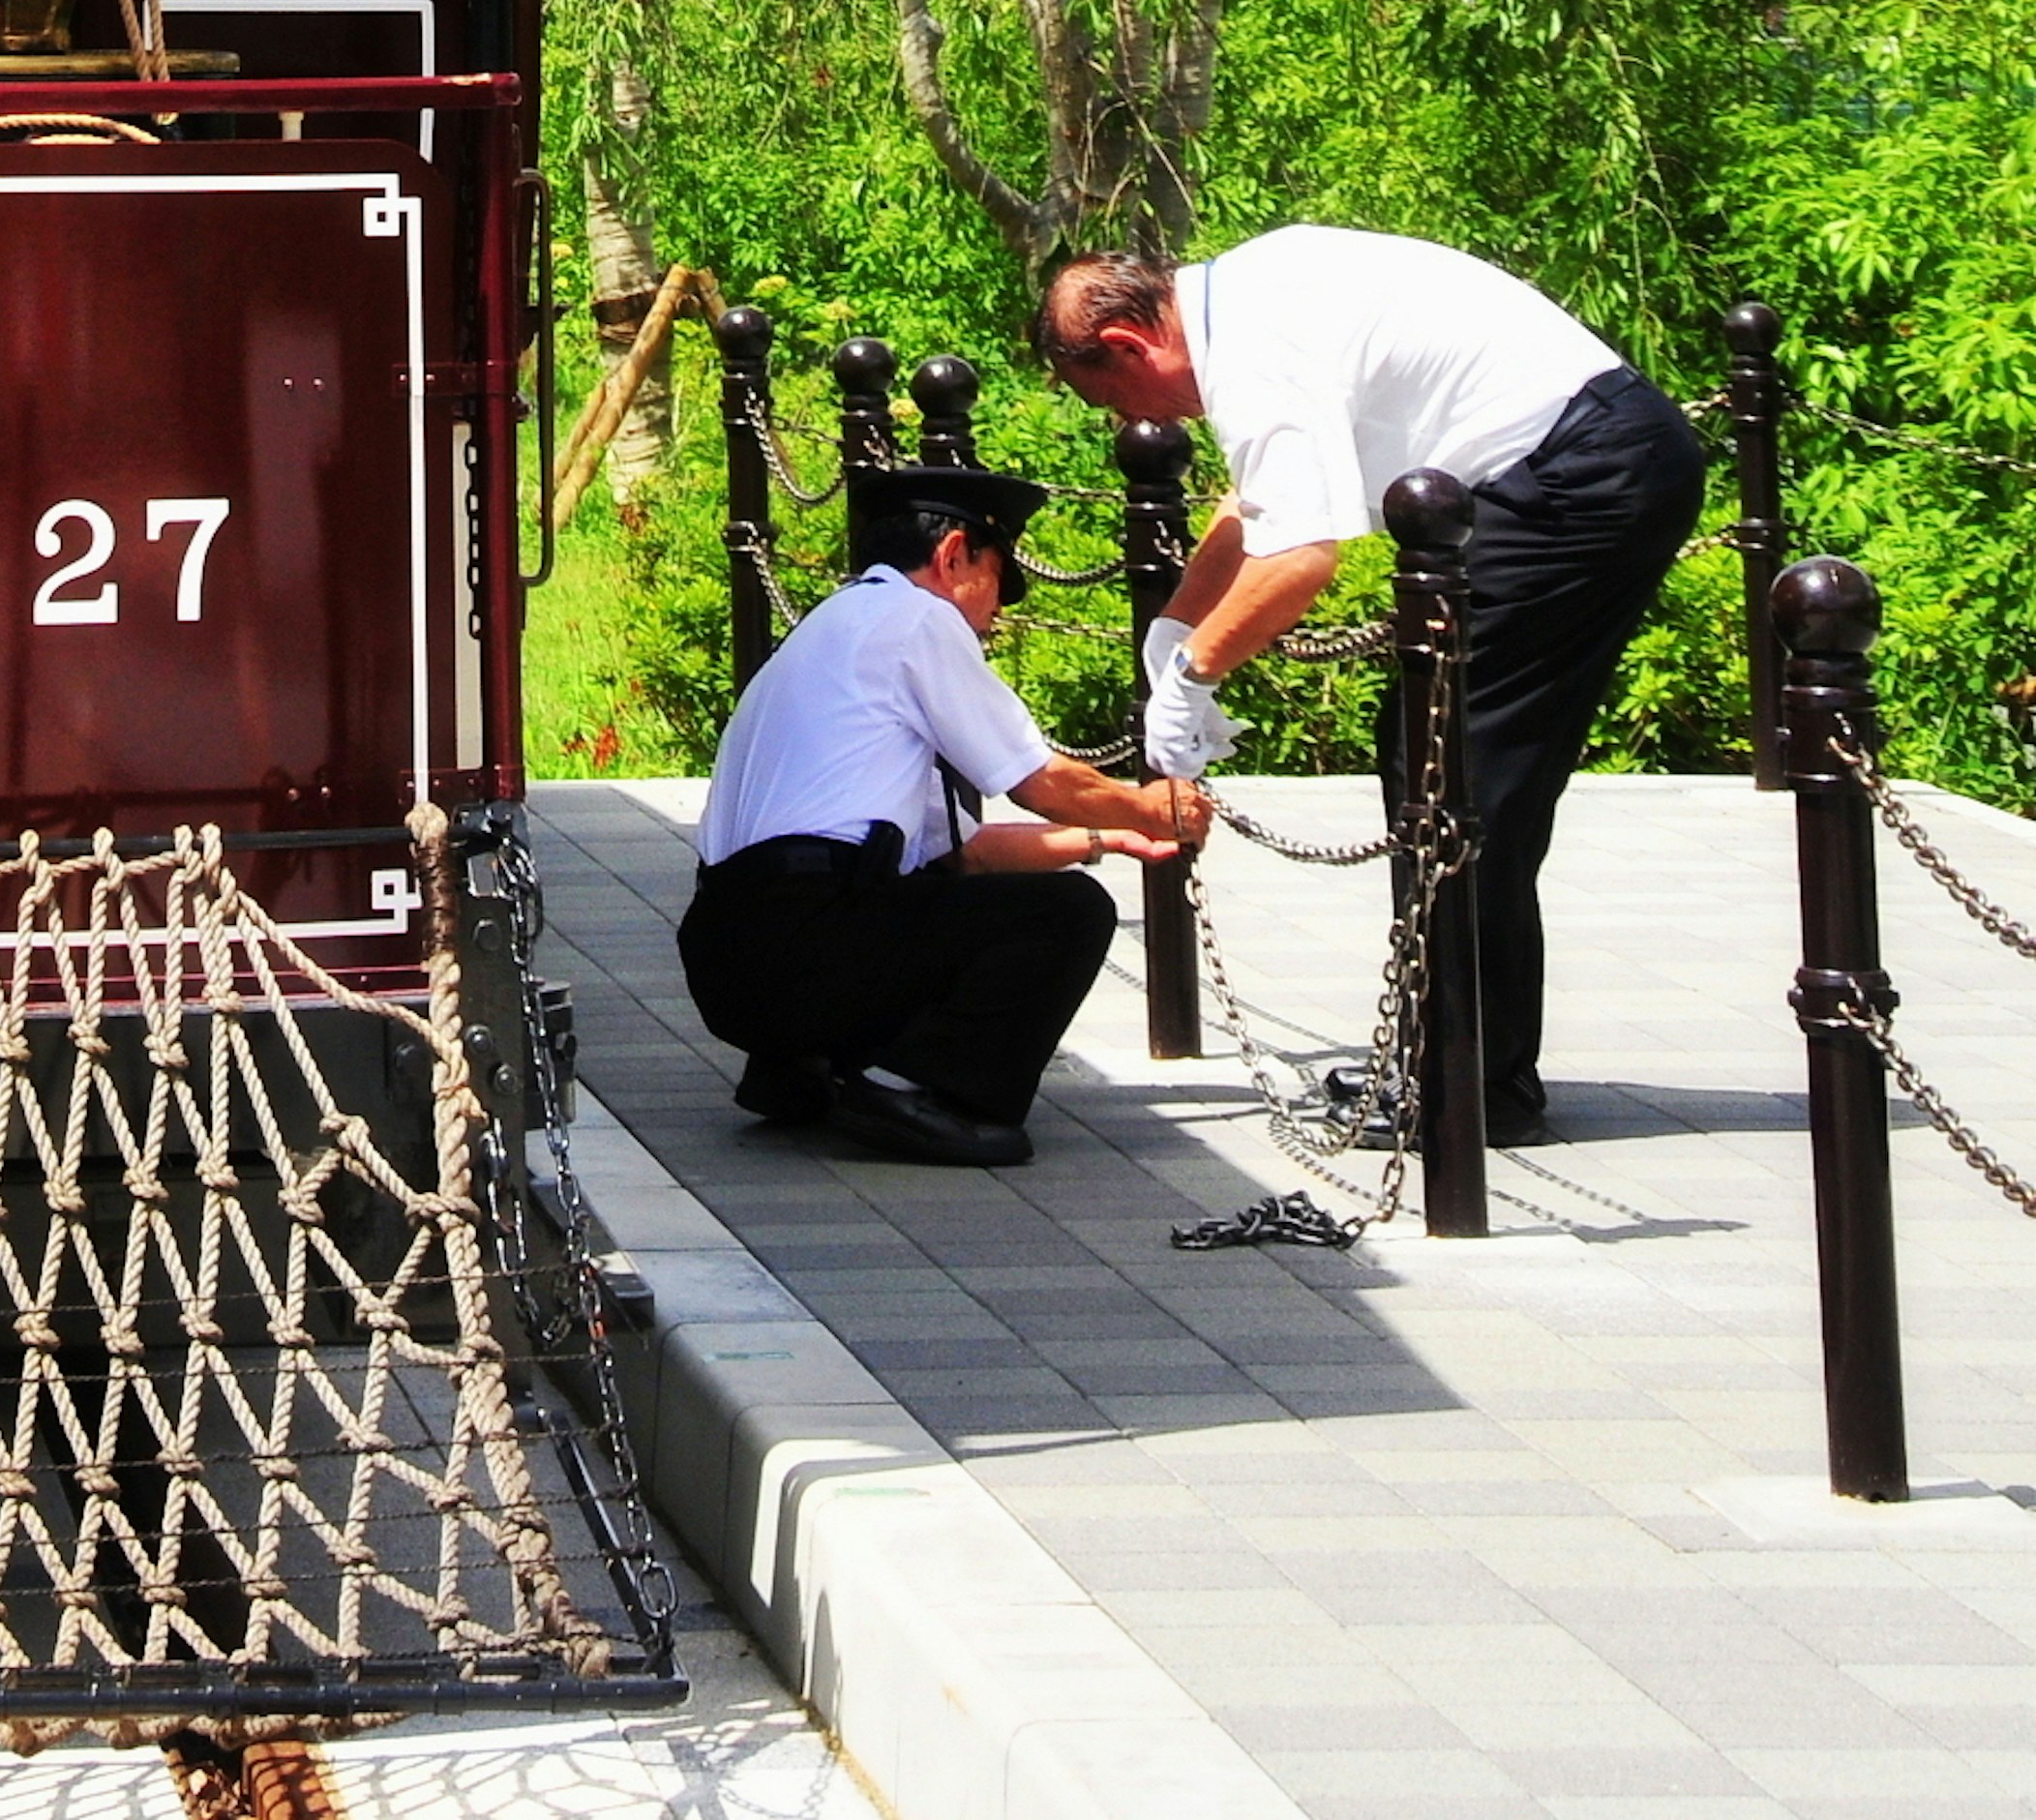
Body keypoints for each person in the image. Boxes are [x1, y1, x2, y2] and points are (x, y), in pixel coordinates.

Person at [1032, 229, 1707, 1141]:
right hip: (1574, 462)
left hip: (1578, 475)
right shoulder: (1238, 302)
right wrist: (1175, 628)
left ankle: (1471, 1085)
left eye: (1110, 397)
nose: (1132, 422)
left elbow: (1303, 558)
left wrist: (1193, 679)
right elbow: (1254, 508)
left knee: (1456, 762)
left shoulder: (1251, 347)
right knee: (1442, 752)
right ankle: (1458, 1059)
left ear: (1127, 345)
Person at [676, 461, 1207, 1171]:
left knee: (940, 903)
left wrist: (1104, 836)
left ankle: (802, 1063)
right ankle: (915, 1091)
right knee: (1068, 913)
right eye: (997, 580)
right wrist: (1151, 805)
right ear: (954, 553)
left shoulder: (833, 630)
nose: (997, 613)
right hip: (806, 941)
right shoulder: (918, 617)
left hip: (726, 964)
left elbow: (964, 855)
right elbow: (1036, 780)